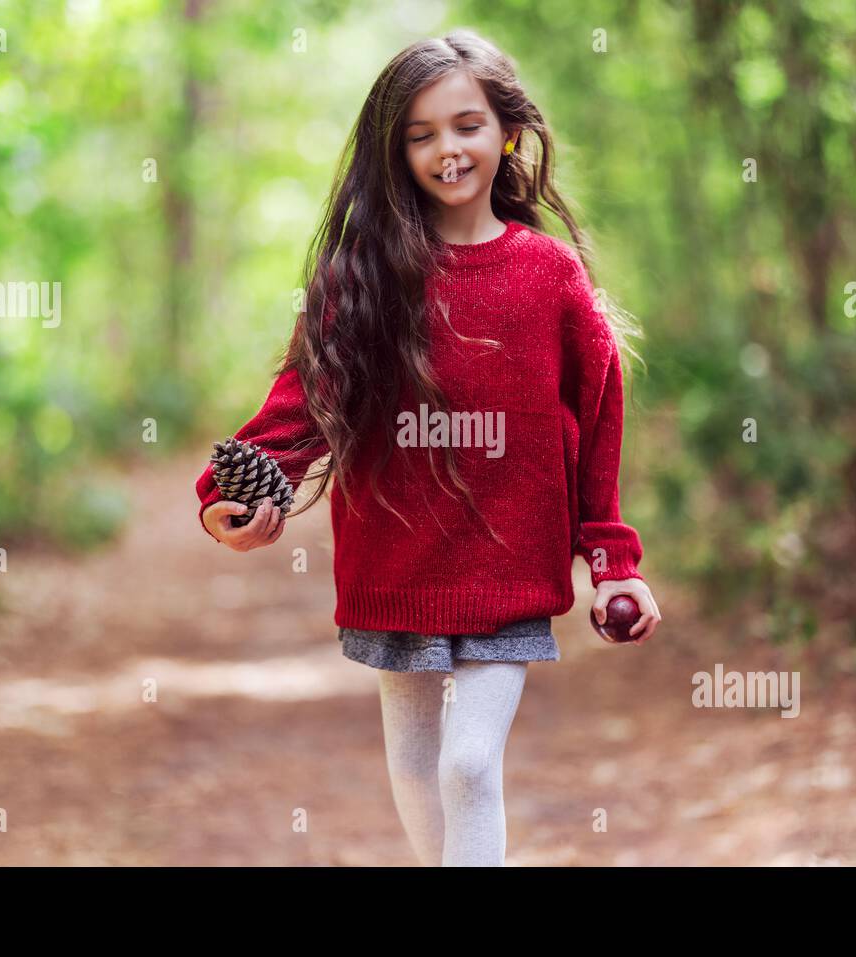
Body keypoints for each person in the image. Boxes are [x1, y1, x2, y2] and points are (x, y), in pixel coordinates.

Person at [196, 29, 662, 866]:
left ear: (508, 132)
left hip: (511, 562)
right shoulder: (360, 276)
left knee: (469, 762)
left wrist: (613, 559)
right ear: (396, 151)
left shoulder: (549, 276)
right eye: (421, 134)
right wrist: (230, 495)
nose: (447, 148)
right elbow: (299, 406)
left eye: (467, 124)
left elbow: (597, 416)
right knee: (415, 766)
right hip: (395, 560)